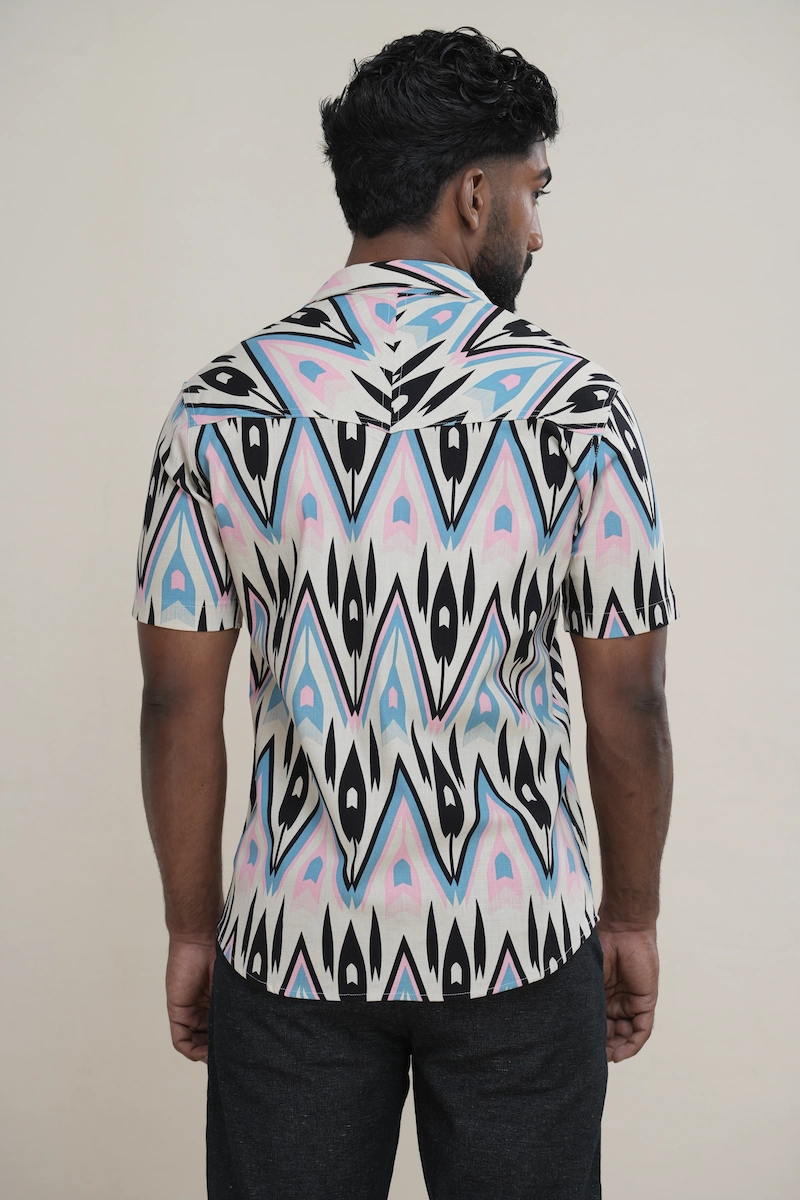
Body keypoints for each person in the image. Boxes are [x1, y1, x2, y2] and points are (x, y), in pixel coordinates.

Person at [133, 26, 676, 1200]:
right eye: (532, 192)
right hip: (515, 939)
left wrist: (192, 930)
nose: (536, 227)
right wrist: (629, 917)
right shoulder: (571, 403)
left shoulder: (220, 404)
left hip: (291, 943)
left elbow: (177, 700)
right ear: (472, 194)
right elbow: (627, 696)